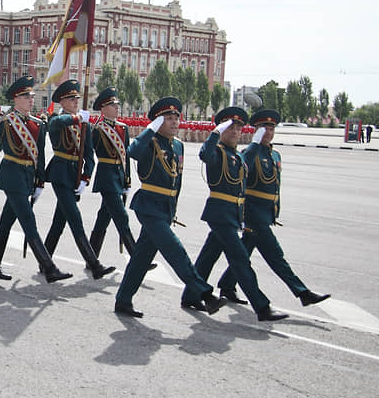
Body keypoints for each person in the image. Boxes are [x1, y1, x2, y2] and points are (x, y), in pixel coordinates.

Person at [114, 97, 225, 317]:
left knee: (142, 258)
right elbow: (131, 152)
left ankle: (123, 300)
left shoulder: (178, 145)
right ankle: (205, 294)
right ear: (157, 123)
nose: (175, 122)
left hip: (165, 209)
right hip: (149, 207)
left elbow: (177, 182)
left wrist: (172, 210)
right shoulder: (149, 142)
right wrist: (149, 129)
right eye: (168, 119)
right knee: (175, 250)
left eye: (176, 118)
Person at [0, 76, 72, 283]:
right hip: (12, 176)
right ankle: (49, 267)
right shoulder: (7, 122)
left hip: (27, 177)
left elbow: (40, 156)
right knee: (29, 221)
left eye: (31, 96)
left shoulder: (38, 124)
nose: (31, 99)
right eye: (26, 96)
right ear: (16, 99)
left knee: (6, 223)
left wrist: (40, 181)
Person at [180, 107, 288, 321]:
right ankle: (262, 307)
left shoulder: (237, 155)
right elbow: (204, 155)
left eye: (239, 128)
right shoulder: (217, 152)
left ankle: (190, 296)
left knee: (208, 256)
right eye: (231, 127)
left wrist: (257, 143)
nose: (236, 131)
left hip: (232, 215)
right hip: (220, 214)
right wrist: (214, 134)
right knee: (240, 259)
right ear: (222, 129)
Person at [215, 109, 331, 309]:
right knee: (275, 255)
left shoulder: (274, 154)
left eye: (271, 128)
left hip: (266, 213)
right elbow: (242, 176)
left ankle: (227, 285)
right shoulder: (249, 153)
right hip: (253, 213)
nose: (268, 132)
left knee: (244, 251)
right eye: (263, 128)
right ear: (256, 131)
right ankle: (302, 292)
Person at [42, 80, 115, 279]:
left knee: (60, 221)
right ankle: (95, 265)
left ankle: (44, 261)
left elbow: (89, 154)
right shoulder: (58, 118)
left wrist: (86, 178)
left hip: (74, 174)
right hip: (60, 173)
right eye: (71, 99)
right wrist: (76, 119)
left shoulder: (83, 123)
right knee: (75, 219)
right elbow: (54, 124)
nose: (75, 101)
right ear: (62, 102)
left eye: (76, 98)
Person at [88, 87, 156, 269]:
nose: (117, 107)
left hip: (118, 177)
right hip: (106, 177)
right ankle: (138, 258)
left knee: (104, 217)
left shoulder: (123, 128)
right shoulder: (98, 129)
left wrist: (127, 180)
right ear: (103, 108)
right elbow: (87, 152)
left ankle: (91, 256)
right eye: (113, 105)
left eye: (117, 104)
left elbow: (125, 155)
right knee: (121, 216)